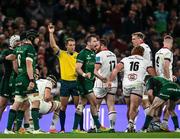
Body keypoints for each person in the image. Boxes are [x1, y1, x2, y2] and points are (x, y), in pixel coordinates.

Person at [108, 46, 156, 132]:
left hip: (126, 85)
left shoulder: (125, 59)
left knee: (129, 107)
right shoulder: (145, 61)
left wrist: (110, 81)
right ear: (142, 53)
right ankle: (131, 123)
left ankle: (131, 126)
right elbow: (153, 74)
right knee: (134, 107)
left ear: (133, 52)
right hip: (137, 84)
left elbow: (116, 69)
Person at [4, 29, 43, 134]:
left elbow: (13, 61)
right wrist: (31, 79)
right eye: (36, 37)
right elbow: (29, 65)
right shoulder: (30, 48)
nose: (38, 39)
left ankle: (7, 129)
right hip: (27, 79)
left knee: (16, 104)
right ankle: (36, 129)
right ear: (31, 38)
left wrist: (5, 57)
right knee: (36, 102)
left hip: (19, 79)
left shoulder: (19, 48)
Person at [48, 23, 83, 133]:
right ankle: (62, 129)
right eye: (71, 45)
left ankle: (80, 128)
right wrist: (51, 33)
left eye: (74, 45)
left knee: (79, 107)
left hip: (76, 83)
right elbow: (53, 46)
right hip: (65, 83)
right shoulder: (62, 54)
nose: (73, 46)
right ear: (66, 46)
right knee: (63, 107)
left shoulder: (79, 55)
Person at [72, 34, 109, 133]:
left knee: (82, 104)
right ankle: (98, 126)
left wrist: (101, 78)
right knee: (94, 102)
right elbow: (77, 68)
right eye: (94, 41)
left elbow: (93, 70)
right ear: (88, 43)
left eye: (97, 41)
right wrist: (84, 75)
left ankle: (75, 129)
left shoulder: (93, 53)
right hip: (83, 82)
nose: (96, 43)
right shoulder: (82, 53)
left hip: (89, 82)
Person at [89, 39, 117, 133]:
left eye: (97, 46)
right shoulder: (113, 55)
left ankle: (94, 127)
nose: (95, 48)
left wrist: (101, 78)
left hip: (101, 84)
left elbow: (94, 70)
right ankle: (112, 128)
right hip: (113, 83)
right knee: (111, 105)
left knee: (95, 105)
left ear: (103, 45)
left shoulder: (99, 55)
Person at [155, 35, 177, 131]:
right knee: (171, 104)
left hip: (159, 80)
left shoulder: (158, 52)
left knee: (160, 103)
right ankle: (164, 123)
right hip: (166, 81)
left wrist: (170, 75)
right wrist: (169, 79)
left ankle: (157, 123)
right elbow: (165, 66)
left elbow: (159, 68)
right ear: (170, 43)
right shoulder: (168, 52)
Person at [131, 32, 153, 114]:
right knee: (144, 101)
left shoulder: (141, 48)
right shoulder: (147, 46)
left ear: (140, 39)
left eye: (134, 39)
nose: (132, 41)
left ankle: (151, 122)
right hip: (147, 76)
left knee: (144, 101)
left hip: (144, 77)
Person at [0, 35, 20, 120]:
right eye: (17, 41)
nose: (19, 43)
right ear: (12, 42)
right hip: (7, 81)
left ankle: (14, 129)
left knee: (17, 105)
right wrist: (6, 58)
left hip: (17, 80)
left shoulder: (20, 51)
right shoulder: (6, 51)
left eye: (19, 41)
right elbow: (0, 59)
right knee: (2, 105)